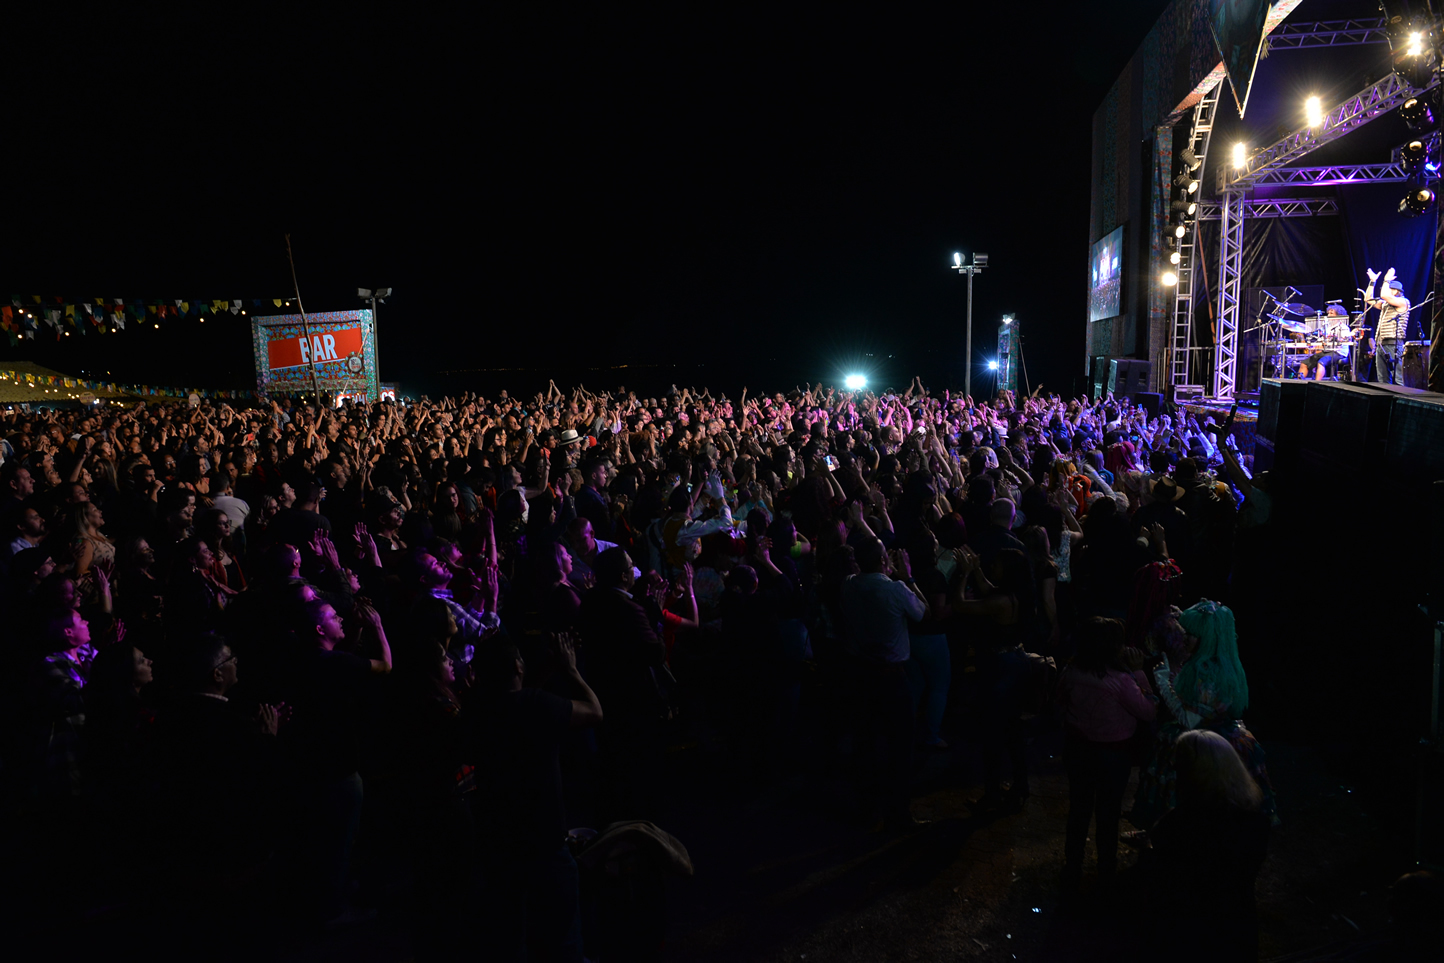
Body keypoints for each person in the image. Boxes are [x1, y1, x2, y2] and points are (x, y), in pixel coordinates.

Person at [471, 633, 602, 963]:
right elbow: (594, 712)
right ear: (518, 666)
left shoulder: (476, 709)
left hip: (498, 843)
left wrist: (546, 671)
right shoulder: (537, 705)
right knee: (562, 939)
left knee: (510, 937)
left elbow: (519, 699)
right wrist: (571, 671)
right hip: (545, 842)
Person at [1143, 729, 1271, 961]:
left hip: (1188, 934)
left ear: (1191, 772)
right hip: (1237, 928)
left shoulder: (1177, 826)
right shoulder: (1256, 822)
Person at [1056, 617, 1156, 890]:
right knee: (1108, 813)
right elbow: (1148, 711)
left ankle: (1073, 865)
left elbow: (1060, 701)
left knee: (1079, 809)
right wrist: (1140, 673)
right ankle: (1106, 870)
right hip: (1112, 755)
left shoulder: (1071, 670)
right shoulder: (1121, 680)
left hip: (1078, 749)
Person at [840, 537, 929, 829]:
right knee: (900, 747)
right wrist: (908, 577)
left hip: (860, 674)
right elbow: (923, 612)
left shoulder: (849, 585)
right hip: (891, 677)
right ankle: (897, 813)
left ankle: (867, 809)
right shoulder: (895, 589)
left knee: (865, 744)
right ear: (883, 561)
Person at [1364, 267, 1410, 384]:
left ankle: (1402, 395)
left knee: (1399, 378)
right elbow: (1368, 299)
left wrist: (1387, 279)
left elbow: (1384, 295)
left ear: (1395, 291)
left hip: (1393, 343)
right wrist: (1372, 281)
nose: (1386, 291)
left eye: (1389, 289)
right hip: (1381, 344)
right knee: (1382, 379)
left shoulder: (1403, 302)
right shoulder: (1385, 304)